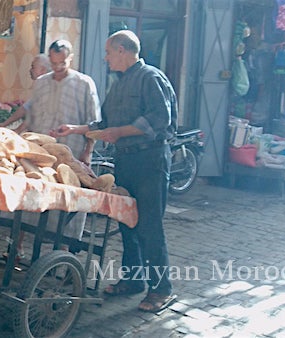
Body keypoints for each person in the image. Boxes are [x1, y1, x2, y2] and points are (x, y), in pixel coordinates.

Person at [52, 30, 176, 312]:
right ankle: (133, 281)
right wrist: (75, 129)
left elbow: (159, 119)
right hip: (126, 161)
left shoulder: (151, 77)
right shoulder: (118, 84)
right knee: (128, 223)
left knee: (149, 227)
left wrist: (119, 132)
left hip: (150, 161)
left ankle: (162, 289)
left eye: (109, 52)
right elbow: (104, 123)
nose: (106, 58)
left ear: (122, 51)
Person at [11, 40, 101, 258]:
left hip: (72, 152)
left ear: (70, 59)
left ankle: (62, 255)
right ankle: (17, 246)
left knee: (67, 203)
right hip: (41, 153)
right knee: (31, 196)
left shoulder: (84, 84)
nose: (57, 67)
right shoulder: (41, 83)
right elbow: (31, 117)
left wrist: (87, 152)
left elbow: (94, 122)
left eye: (62, 63)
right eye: (54, 62)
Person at [0, 54, 51, 131]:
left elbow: (33, 116)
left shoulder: (48, 88)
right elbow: (25, 108)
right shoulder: (40, 86)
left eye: (33, 67)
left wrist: (17, 131)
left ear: (43, 70)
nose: (30, 70)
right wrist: (4, 124)